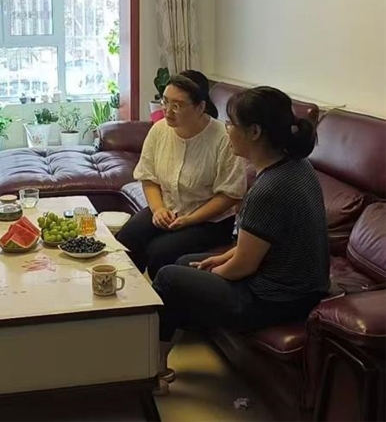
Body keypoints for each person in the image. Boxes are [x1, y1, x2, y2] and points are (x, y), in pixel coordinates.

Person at [152, 86, 330, 392]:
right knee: (185, 263)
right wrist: (217, 261)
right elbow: (260, 244)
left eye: (231, 124)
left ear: (255, 132)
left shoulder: (269, 190)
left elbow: (243, 266)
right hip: (302, 288)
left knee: (170, 277)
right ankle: (159, 360)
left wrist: (214, 271)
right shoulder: (298, 166)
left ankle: (150, 369)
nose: (227, 130)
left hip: (276, 299)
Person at [116, 70, 247, 279]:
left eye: (177, 105)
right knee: (127, 239)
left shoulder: (223, 138)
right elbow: (148, 177)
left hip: (209, 221)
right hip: (169, 209)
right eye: (165, 102)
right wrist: (158, 209)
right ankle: (125, 291)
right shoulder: (159, 130)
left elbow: (230, 194)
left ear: (200, 107)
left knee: (160, 252)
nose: (168, 111)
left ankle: (160, 297)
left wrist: (190, 219)